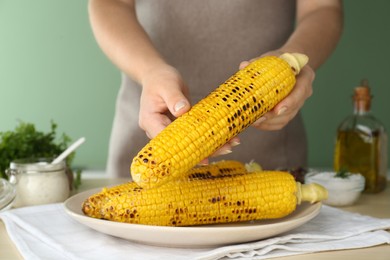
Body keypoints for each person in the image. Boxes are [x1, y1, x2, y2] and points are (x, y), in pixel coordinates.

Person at [88, 0, 343, 178]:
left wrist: (290, 61)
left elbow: (322, 7)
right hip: (150, 131)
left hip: (270, 150)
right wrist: (151, 71)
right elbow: (110, 2)